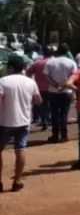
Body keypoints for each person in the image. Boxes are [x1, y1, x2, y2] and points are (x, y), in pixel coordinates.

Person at [0, 55, 42, 192]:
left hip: (4, 121)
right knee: (20, 150)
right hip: (23, 121)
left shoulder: (3, 81)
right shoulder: (30, 82)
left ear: (11, 67)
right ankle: (17, 180)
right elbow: (38, 101)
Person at [43, 44, 78, 144]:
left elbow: (46, 75)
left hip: (53, 91)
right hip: (66, 91)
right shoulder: (71, 62)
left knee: (54, 114)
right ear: (67, 52)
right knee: (64, 114)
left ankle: (55, 135)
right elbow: (74, 75)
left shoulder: (51, 62)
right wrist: (64, 85)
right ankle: (64, 135)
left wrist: (55, 85)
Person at [25, 46, 53, 131]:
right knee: (53, 106)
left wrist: (33, 81)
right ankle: (51, 121)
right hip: (53, 88)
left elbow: (28, 72)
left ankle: (44, 121)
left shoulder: (37, 63)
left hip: (40, 88)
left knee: (43, 105)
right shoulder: (54, 62)